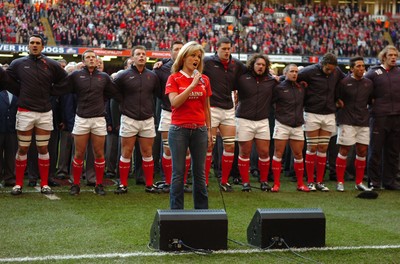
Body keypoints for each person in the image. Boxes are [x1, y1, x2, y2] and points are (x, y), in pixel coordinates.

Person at [2, 34, 67, 195]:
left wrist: (52, 92)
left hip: (45, 112)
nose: (35, 45)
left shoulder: (52, 64)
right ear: (28, 45)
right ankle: (18, 184)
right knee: (23, 148)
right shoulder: (17, 63)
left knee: (43, 148)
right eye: (32, 43)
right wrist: (20, 92)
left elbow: (65, 81)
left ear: (43, 46)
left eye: (38, 43)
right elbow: (7, 80)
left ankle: (44, 183)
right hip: (25, 112)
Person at [54, 50, 120, 195]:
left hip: (98, 119)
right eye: (88, 57)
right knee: (79, 153)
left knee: (99, 153)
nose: (91, 59)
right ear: (83, 61)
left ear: (97, 61)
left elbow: (115, 93)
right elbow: (62, 88)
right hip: (82, 118)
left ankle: (99, 184)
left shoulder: (104, 77)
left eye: (93, 57)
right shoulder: (76, 75)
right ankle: (75, 184)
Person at [166, 41, 212, 209]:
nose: (196, 59)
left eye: (198, 57)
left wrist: (209, 130)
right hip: (179, 130)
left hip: (200, 129)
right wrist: (192, 85)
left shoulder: (205, 79)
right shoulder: (174, 78)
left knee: (199, 174)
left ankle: (202, 212)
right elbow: (175, 102)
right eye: (193, 55)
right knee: (178, 173)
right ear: (184, 57)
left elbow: (206, 108)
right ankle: (176, 212)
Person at [113, 45, 161, 194]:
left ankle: (149, 184)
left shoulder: (152, 76)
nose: (141, 56)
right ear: (132, 58)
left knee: (147, 152)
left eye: (143, 54)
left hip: (147, 119)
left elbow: (158, 94)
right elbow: (113, 93)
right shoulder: (123, 75)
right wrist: (124, 106)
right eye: (138, 54)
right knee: (126, 152)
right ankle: (123, 184)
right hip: (129, 118)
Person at [297, 53, 345, 192]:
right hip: (312, 113)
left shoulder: (336, 71)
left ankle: (320, 181)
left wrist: (338, 98)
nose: (330, 72)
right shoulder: (309, 71)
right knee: (312, 148)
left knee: (323, 149)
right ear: (321, 64)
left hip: (329, 113)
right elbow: (292, 78)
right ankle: (310, 181)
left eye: (332, 69)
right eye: (327, 69)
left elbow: (344, 82)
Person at [203, 37, 245, 192]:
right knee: (209, 145)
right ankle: (205, 181)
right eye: (224, 49)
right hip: (212, 108)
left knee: (229, 145)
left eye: (229, 49)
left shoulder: (236, 64)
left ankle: (225, 181)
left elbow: (251, 73)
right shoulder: (207, 62)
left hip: (228, 108)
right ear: (217, 48)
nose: (227, 52)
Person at [235, 54, 277, 192]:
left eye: (263, 65)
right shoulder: (242, 78)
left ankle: (264, 181)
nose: (260, 67)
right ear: (252, 64)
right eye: (258, 64)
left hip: (262, 120)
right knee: (245, 152)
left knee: (264, 152)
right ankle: (245, 182)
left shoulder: (271, 81)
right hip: (243, 119)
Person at [335, 57, 373, 192]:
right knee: (344, 150)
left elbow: (370, 100)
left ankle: (359, 182)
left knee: (362, 151)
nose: (361, 68)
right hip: (346, 120)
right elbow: (336, 99)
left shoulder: (369, 83)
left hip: (363, 121)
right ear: (351, 68)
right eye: (358, 66)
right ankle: (340, 181)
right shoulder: (344, 83)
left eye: (363, 66)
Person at [365, 45, 400, 190]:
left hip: (397, 116)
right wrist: (370, 103)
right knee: (375, 150)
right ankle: (374, 181)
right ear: (383, 57)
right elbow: (363, 89)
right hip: (379, 116)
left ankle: (390, 181)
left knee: (393, 151)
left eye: (395, 55)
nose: (393, 58)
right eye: (390, 55)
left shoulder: (399, 73)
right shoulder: (373, 73)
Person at [271, 64, 309, 192]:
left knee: (298, 154)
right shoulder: (278, 88)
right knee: (278, 154)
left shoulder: (301, 87)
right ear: (285, 73)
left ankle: (300, 184)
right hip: (282, 124)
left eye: (296, 72)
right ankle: (276, 184)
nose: (294, 74)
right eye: (292, 71)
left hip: (298, 125)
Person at [153, 41, 184, 193]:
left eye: (181, 49)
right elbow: (157, 91)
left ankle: (182, 182)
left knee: (186, 151)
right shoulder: (162, 69)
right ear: (170, 52)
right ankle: (168, 182)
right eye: (176, 49)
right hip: (167, 111)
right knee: (168, 149)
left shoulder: (192, 67)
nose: (179, 51)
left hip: (186, 113)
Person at [0, 64, 18, 187]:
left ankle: (10, 177)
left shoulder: (17, 90)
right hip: (0, 127)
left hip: (12, 128)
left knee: (11, 154)